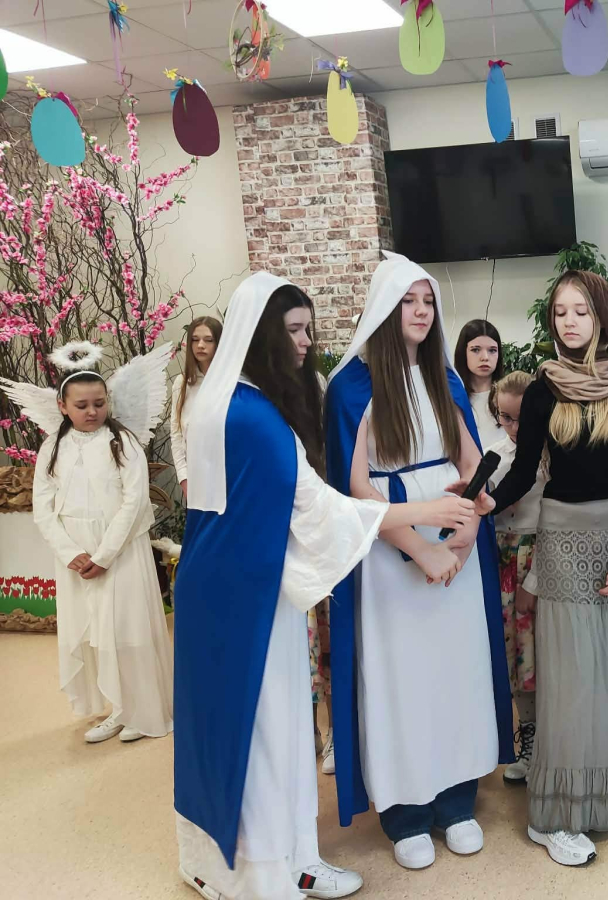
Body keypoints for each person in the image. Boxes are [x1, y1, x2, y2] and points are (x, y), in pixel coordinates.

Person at [172, 272, 482, 900]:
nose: (306, 343)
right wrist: (426, 515)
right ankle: (262, 874)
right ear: (262, 335)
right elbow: (325, 509)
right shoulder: (252, 417)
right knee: (261, 735)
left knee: (280, 730)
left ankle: (291, 857)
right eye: (293, 331)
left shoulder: (225, 401)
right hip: (243, 598)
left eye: (307, 329)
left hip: (243, 586)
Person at [325, 253, 513, 872]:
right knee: (401, 678)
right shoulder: (351, 387)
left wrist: (463, 535)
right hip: (391, 555)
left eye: (428, 301)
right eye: (408, 300)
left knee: (456, 672)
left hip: (455, 546)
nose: (421, 311)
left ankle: (457, 799)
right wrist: (422, 548)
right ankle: (406, 811)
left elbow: (470, 463)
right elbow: (356, 489)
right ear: (383, 308)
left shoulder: (445, 379)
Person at [487, 270, 608, 867]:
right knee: (575, 678)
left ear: (602, 317)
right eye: (560, 312)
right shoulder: (542, 388)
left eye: (580, 311)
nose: (569, 322)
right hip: (564, 541)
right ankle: (557, 816)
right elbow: (522, 473)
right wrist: (483, 502)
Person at [24, 362, 174, 745]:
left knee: (126, 629)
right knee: (94, 632)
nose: (92, 412)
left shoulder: (122, 442)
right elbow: (43, 506)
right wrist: (69, 551)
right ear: (62, 406)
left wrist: (104, 555)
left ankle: (143, 710)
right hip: (75, 552)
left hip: (119, 548)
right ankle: (116, 709)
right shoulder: (52, 447)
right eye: (82, 405)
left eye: (99, 403)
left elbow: (134, 501)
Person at [486, 370, 548, 785]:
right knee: (515, 659)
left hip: (538, 560)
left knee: (541, 656)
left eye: (521, 418)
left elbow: (555, 523)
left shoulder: (548, 459)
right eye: (505, 418)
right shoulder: (493, 454)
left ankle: (551, 742)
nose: (513, 428)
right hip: (501, 560)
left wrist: (534, 580)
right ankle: (528, 738)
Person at [170, 316, 222, 500]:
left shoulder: (230, 383)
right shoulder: (182, 383)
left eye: (208, 340)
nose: (200, 345)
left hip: (227, 474)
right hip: (195, 477)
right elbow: (176, 434)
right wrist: (184, 478)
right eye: (195, 339)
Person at [455, 318, 505, 450]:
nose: (485, 357)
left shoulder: (509, 394)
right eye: (476, 350)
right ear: (463, 352)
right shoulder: (452, 398)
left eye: (492, 350)